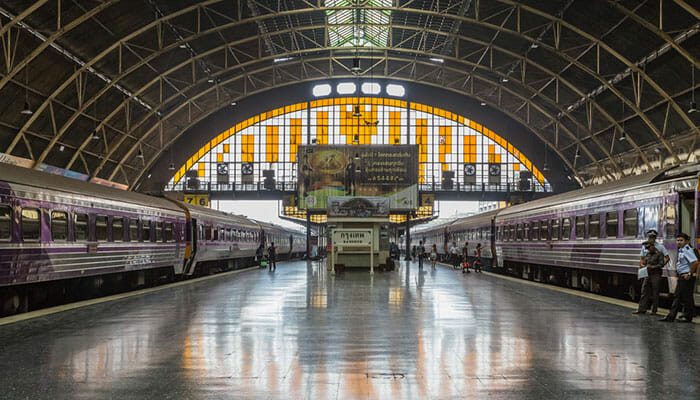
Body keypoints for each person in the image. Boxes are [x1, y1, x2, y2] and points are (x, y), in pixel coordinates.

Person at [660, 233, 698, 322]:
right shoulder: (682, 250)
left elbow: (695, 262)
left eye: (681, 240)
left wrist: (689, 274)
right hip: (682, 276)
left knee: (680, 297)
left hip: (686, 277)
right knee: (684, 297)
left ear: (686, 241)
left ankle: (674, 316)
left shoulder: (687, 249)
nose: (679, 242)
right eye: (678, 240)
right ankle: (683, 316)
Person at [633, 241, 664, 315]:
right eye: (647, 248)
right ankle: (641, 309)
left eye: (649, 248)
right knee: (644, 291)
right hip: (647, 274)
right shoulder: (648, 254)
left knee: (655, 293)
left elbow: (661, 264)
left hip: (656, 275)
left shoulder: (659, 254)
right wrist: (642, 266)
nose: (648, 249)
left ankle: (654, 310)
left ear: (653, 246)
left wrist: (652, 267)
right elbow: (645, 263)